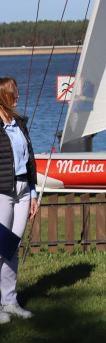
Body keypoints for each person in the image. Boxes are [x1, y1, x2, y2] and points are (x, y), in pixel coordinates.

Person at [0, 77, 38, 323]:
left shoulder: (19, 123)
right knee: (0, 249)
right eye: (15, 93)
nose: (18, 97)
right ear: (4, 96)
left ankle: (10, 302)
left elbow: (30, 159)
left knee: (12, 248)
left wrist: (33, 194)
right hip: (2, 192)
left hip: (24, 191)